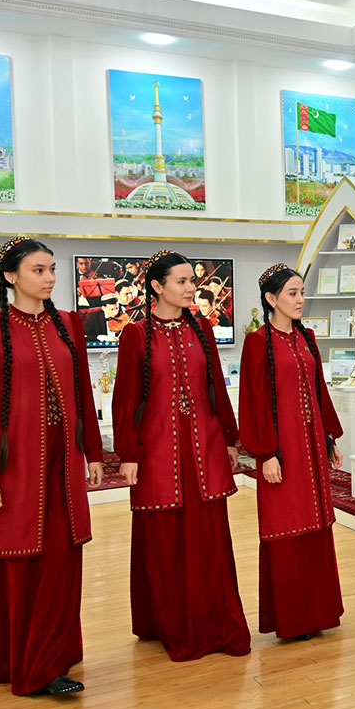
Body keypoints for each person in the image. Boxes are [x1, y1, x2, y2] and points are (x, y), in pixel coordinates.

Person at [0, 236, 104, 696]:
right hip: (16, 468)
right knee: (20, 561)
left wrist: (94, 453)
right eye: (38, 270)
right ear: (11, 276)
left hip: (64, 465)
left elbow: (83, 393)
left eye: (51, 270)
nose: (49, 279)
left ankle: (52, 657)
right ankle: (27, 666)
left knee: (62, 560)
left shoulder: (68, 324)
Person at [112, 250, 251, 661]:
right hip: (157, 453)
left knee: (210, 541)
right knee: (165, 543)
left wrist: (229, 438)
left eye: (193, 280)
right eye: (182, 281)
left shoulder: (202, 329)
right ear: (157, 287)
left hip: (204, 448)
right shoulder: (136, 335)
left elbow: (216, 387)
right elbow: (125, 399)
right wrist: (128, 453)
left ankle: (217, 625)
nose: (192, 288)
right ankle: (173, 626)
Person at [239, 263, 345, 640]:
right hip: (282, 453)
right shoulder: (257, 342)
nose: (300, 300)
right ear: (271, 299)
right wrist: (265, 453)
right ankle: (292, 619)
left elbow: (318, 391)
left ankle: (319, 613)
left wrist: (329, 438)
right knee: (285, 523)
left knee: (316, 522)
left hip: (312, 448)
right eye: (292, 293)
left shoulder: (307, 337)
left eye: (302, 292)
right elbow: (251, 402)